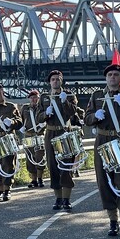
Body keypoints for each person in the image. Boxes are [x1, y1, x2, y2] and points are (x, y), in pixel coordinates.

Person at [85, 64, 120, 238]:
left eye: (116, 74)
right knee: (104, 181)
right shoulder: (97, 96)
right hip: (102, 140)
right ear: (106, 78)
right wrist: (95, 117)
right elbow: (86, 118)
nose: (113, 77)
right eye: (110, 75)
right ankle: (112, 222)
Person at [37, 70, 78, 210]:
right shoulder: (44, 97)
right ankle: (58, 198)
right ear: (49, 82)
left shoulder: (69, 95)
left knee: (66, 167)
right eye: (53, 79)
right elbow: (38, 117)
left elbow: (73, 112)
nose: (55, 81)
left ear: (61, 81)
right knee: (53, 166)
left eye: (58, 79)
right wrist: (45, 114)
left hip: (64, 132)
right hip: (50, 133)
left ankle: (66, 199)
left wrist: (64, 101)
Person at [0, 84, 23, 202]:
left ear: (3, 94)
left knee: (7, 164)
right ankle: (0, 189)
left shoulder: (10, 107)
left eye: (0, 93)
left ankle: (7, 189)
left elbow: (20, 122)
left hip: (7, 138)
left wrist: (12, 122)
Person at [19, 90, 46, 188]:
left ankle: (40, 178)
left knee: (40, 156)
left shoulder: (42, 108)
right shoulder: (25, 108)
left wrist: (44, 125)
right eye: (32, 98)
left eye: (36, 97)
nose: (34, 99)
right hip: (28, 135)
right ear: (29, 99)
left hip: (39, 134)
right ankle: (33, 179)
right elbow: (20, 119)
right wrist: (21, 127)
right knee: (30, 158)